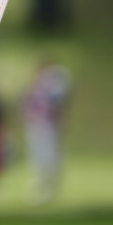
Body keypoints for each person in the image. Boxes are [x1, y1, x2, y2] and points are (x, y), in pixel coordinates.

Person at [21, 59, 72, 204]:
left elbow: (57, 103)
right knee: (38, 155)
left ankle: (48, 185)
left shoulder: (53, 85)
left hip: (48, 125)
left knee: (49, 155)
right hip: (36, 124)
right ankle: (43, 183)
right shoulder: (37, 87)